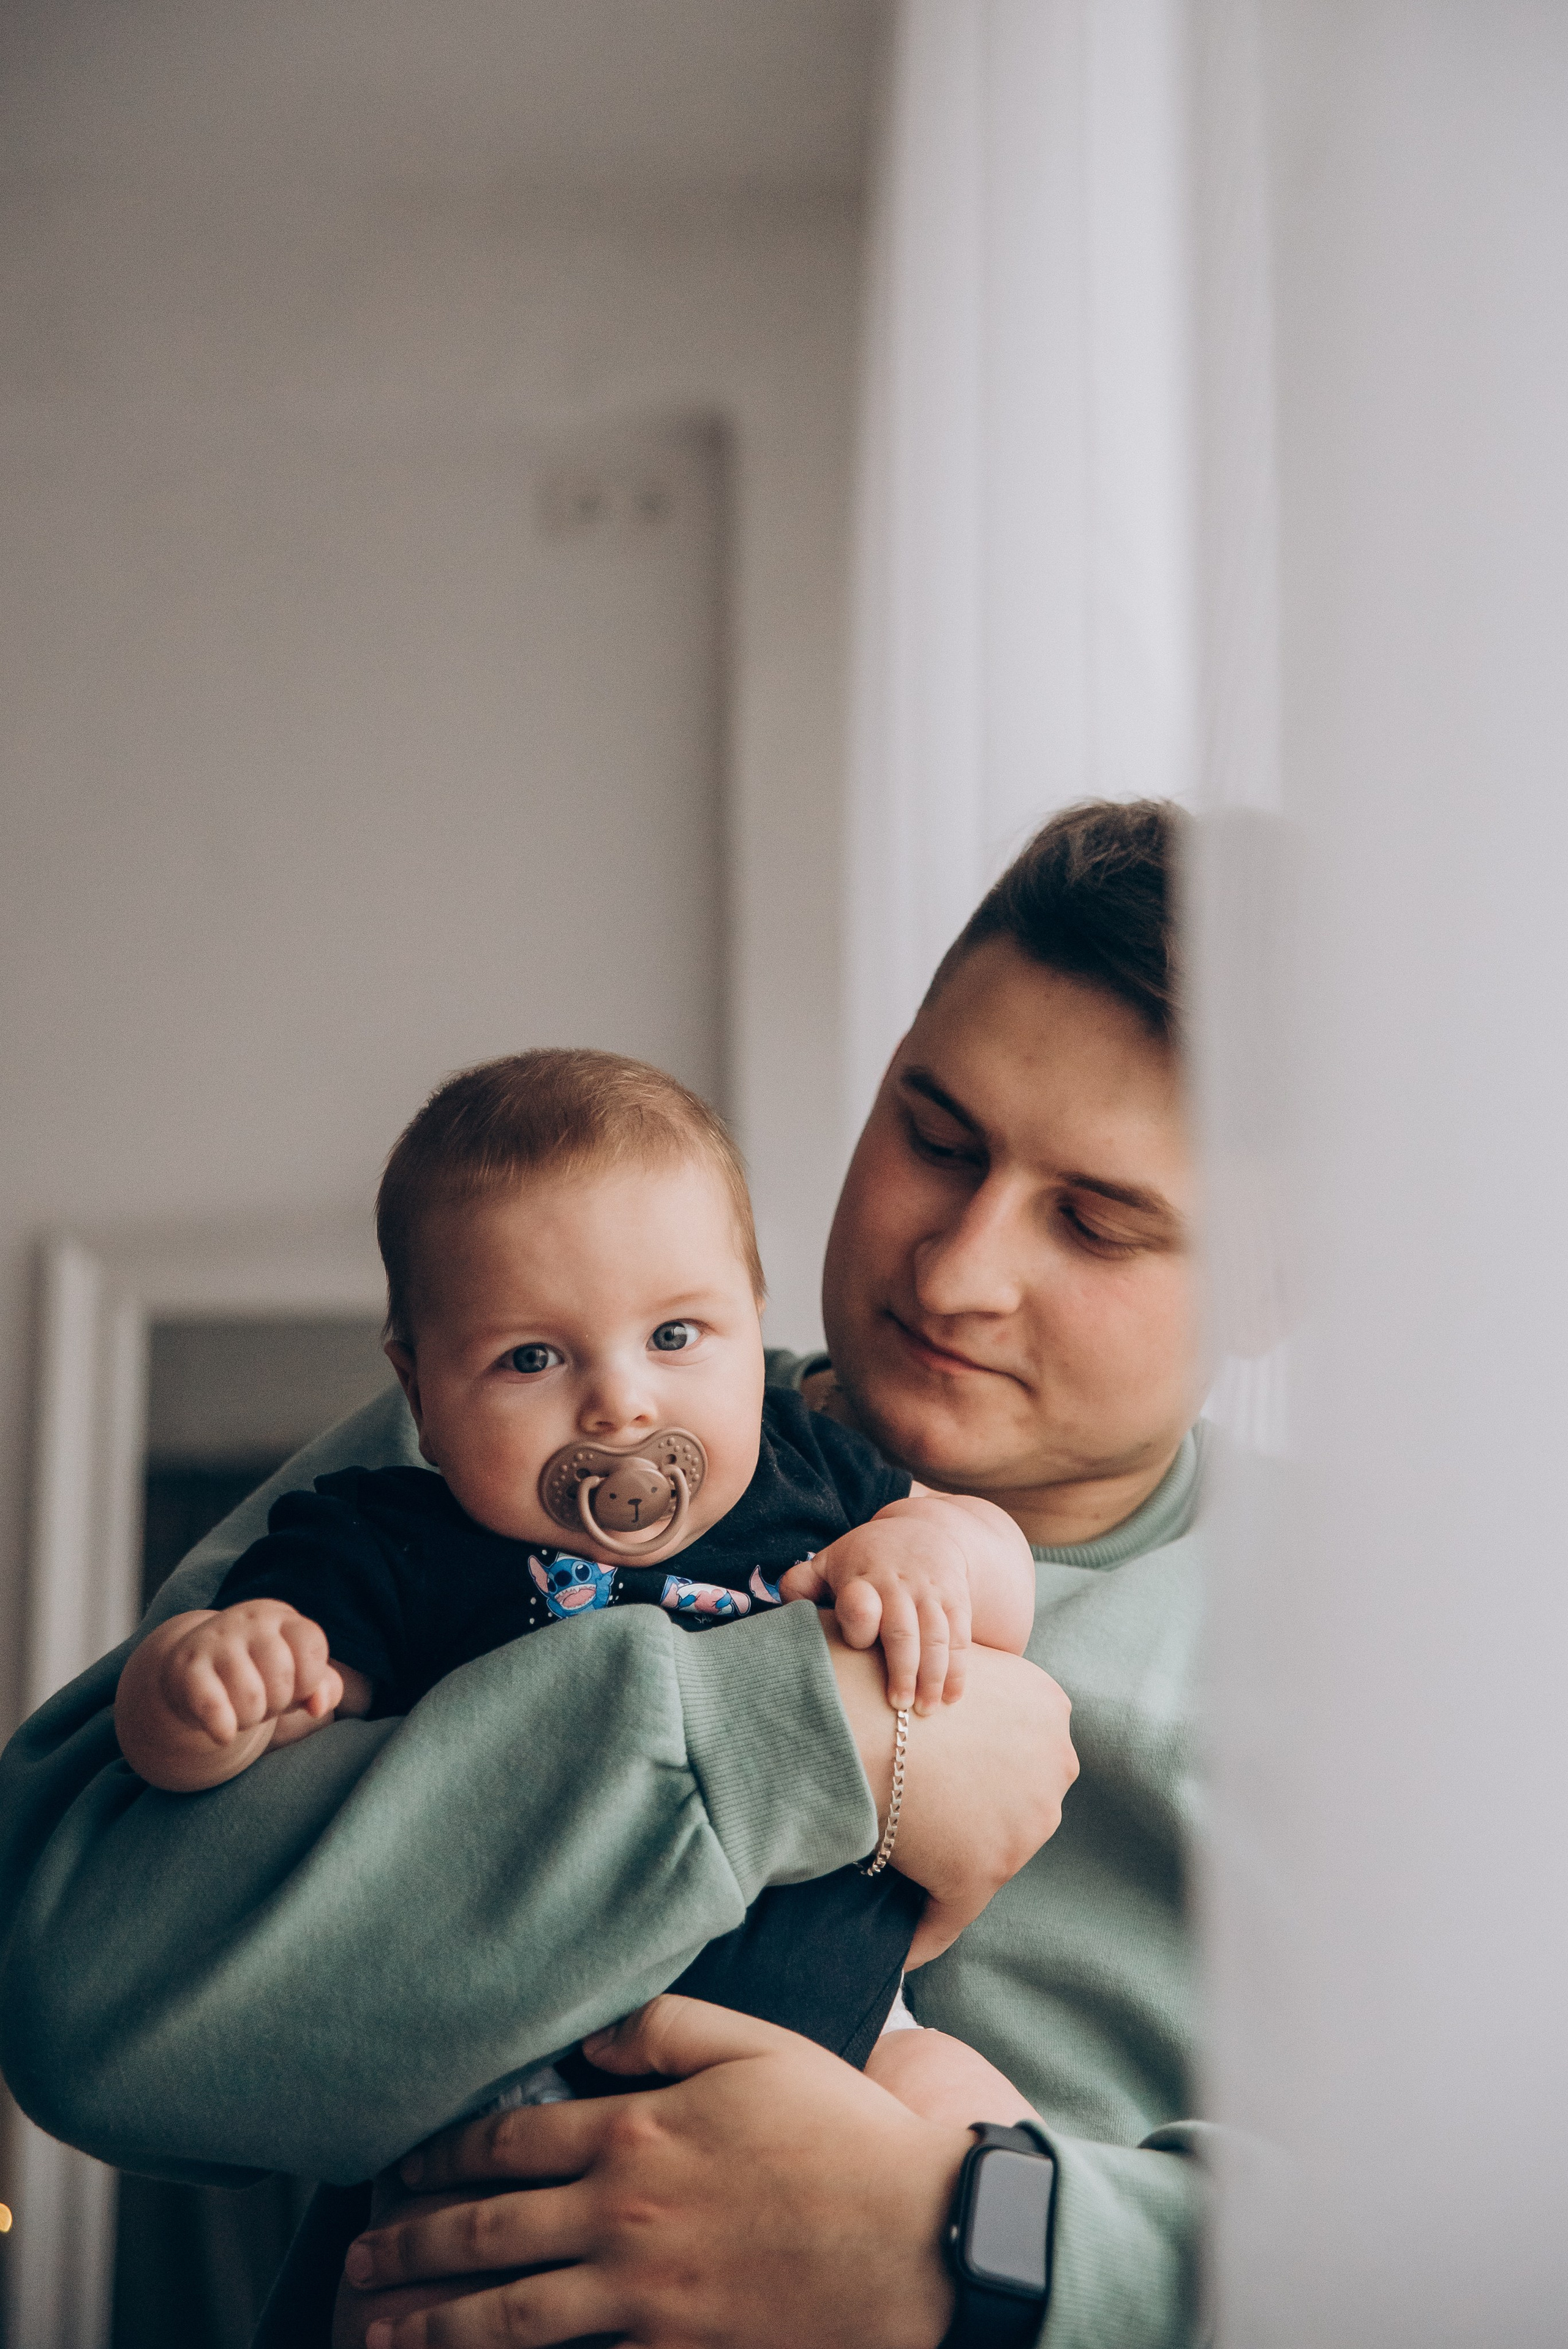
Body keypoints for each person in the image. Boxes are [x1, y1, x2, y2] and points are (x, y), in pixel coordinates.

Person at [0, 797, 1203, 2349]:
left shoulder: (1428, 1666)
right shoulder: (493, 1462)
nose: (954, 1270)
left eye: (1098, 1223)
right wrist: (812, 1725)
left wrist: (968, 2244)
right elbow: (88, 1994)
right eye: (933, 1136)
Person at [113, 1047, 1042, 2121]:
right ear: (417, 1385)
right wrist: (205, 1684)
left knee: (971, 2124)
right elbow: (184, 1755)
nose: (620, 1404)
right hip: (525, 2063)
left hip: (849, 2035)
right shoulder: (387, 1544)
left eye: (676, 1336)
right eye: (531, 1360)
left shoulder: (814, 1470)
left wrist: (933, 1546)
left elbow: (1004, 1590)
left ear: (754, 1321)